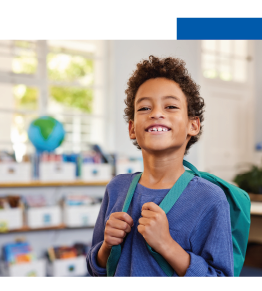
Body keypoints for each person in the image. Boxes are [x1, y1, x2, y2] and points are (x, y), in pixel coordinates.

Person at [86, 55, 234, 279]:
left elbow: (220, 277)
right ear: (132, 128)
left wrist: (166, 244)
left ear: (192, 125)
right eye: (144, 108)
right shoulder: (116, 189)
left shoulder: (210, 198)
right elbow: (95, 267)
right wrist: (107, 246)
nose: (156, 113)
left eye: (171, 106)